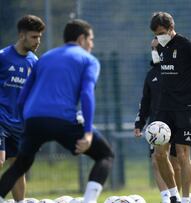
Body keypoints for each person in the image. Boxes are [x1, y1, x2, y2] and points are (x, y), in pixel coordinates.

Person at [0, 19, 114, 203]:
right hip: (63, 119)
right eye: (91, 39)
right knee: (105, 155)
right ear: (81, 39)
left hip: (33, 120)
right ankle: (89, 201)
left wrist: (27, 127)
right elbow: (86, 94)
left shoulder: (45, 58)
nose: (92, 44)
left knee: (20, 165)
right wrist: (87, 133)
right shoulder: (89, 60)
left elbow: (23, 97)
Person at [149, 12, 191, 203]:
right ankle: (173, 196)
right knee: (159, 154)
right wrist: (154, 50)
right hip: (163, 108)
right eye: (155, 34)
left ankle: (186, 199)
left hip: (185, 108)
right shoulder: (159, 47)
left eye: (161, 33)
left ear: (171, 29)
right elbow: (158, 68)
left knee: (182, 155)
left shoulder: (187, 45)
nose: (158, 37)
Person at [0, 15, 45, 203]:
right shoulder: (3, 57)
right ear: (22, 36)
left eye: (40, 37)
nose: (38, 41)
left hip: (19, 125)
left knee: (18, 167)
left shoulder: (34, 63)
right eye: (34, 37)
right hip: (1, 120)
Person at [134, 38, 182, 203]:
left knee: (175, 162)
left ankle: (178, 196)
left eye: (158, 48)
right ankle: (166, 198)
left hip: (176, 122)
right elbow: (145, 101)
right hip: (156, 126)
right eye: (153, 48)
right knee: (156, 159)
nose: (155, 51)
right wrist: (139, 123)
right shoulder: (151, 74)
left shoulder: (178, 69)